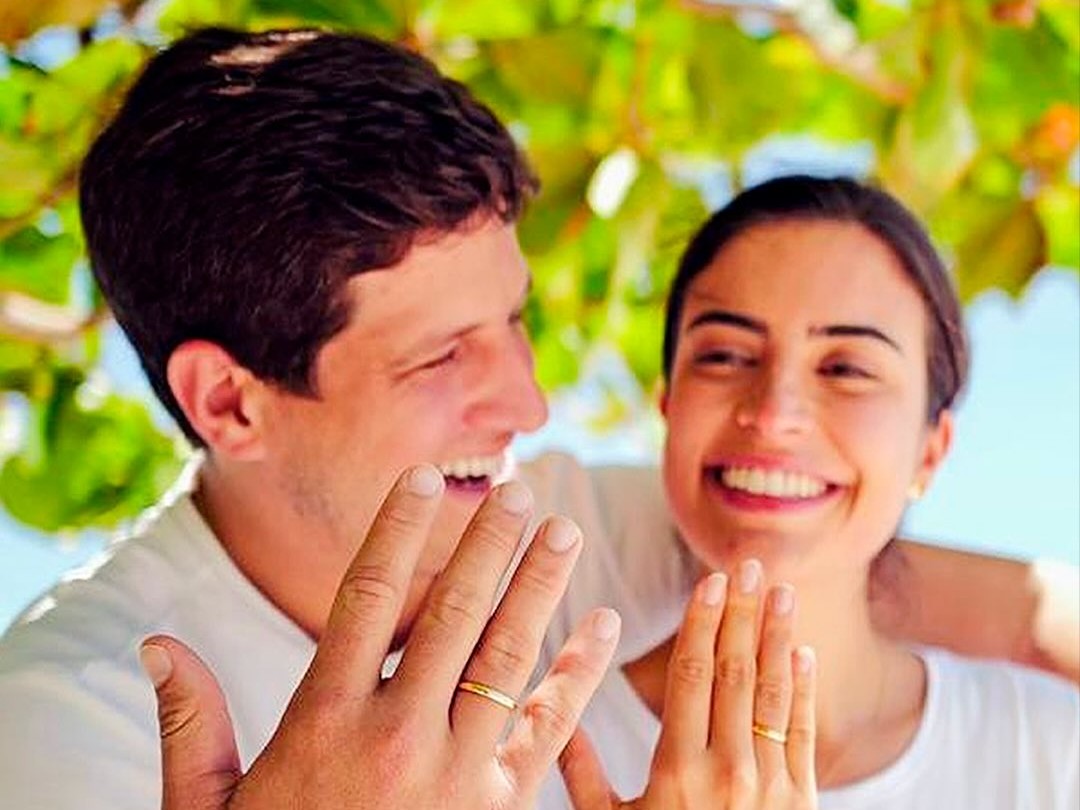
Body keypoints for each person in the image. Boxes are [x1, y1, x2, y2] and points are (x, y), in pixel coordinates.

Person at [0, 26, 1072, 810]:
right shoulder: (72, 724)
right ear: (229, 401)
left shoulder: (557, 525)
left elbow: (995, 605)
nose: (528, 403)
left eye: (512, 321)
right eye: (441, 356)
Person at [550, 176, 1080, 808]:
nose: (774, 414)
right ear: (668, 408)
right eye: (724, 356)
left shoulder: (1049, 751)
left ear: (930, 451)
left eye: (846, 368)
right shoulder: (533, 749)